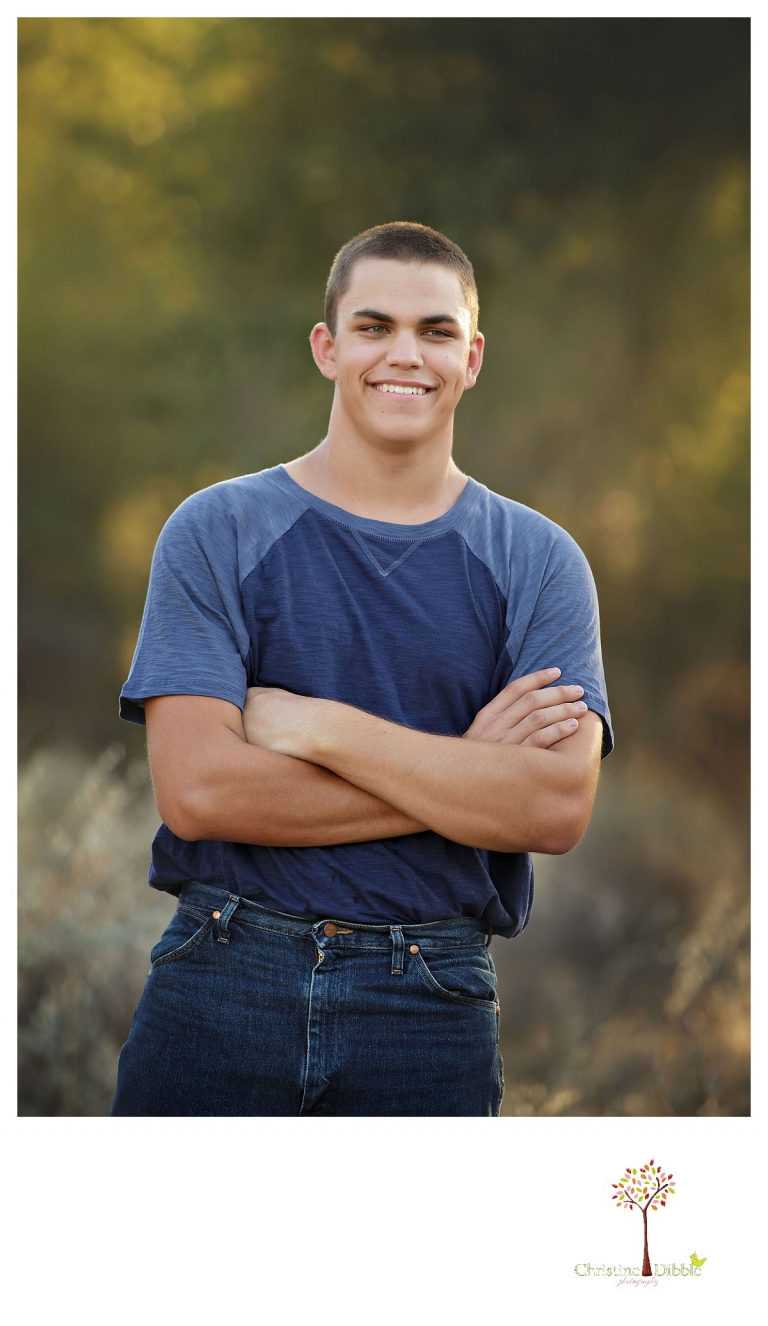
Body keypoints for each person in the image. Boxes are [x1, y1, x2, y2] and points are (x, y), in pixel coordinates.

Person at [111, 221, 613, 1117]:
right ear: (327, 347)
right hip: (222, 973)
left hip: (430, 1001)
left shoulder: (540, 562)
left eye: (436, 331)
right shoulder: (215, 530)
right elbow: (199, 793)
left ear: (472, 358)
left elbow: (553, 808)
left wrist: (323, 729)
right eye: (374, 326)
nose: (405, 355)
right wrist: (467, 771)